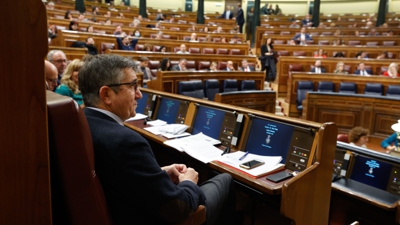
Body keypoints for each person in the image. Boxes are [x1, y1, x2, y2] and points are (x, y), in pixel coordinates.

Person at [78, 54, 236, 225]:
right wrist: (189, 182)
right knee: (225, 180)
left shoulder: (83, 123)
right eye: (133, 86)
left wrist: (158, 173)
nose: (139, 95)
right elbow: (178, 208)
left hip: (124, 207)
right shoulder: (126, 141)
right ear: (106, 94)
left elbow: (122, 176)